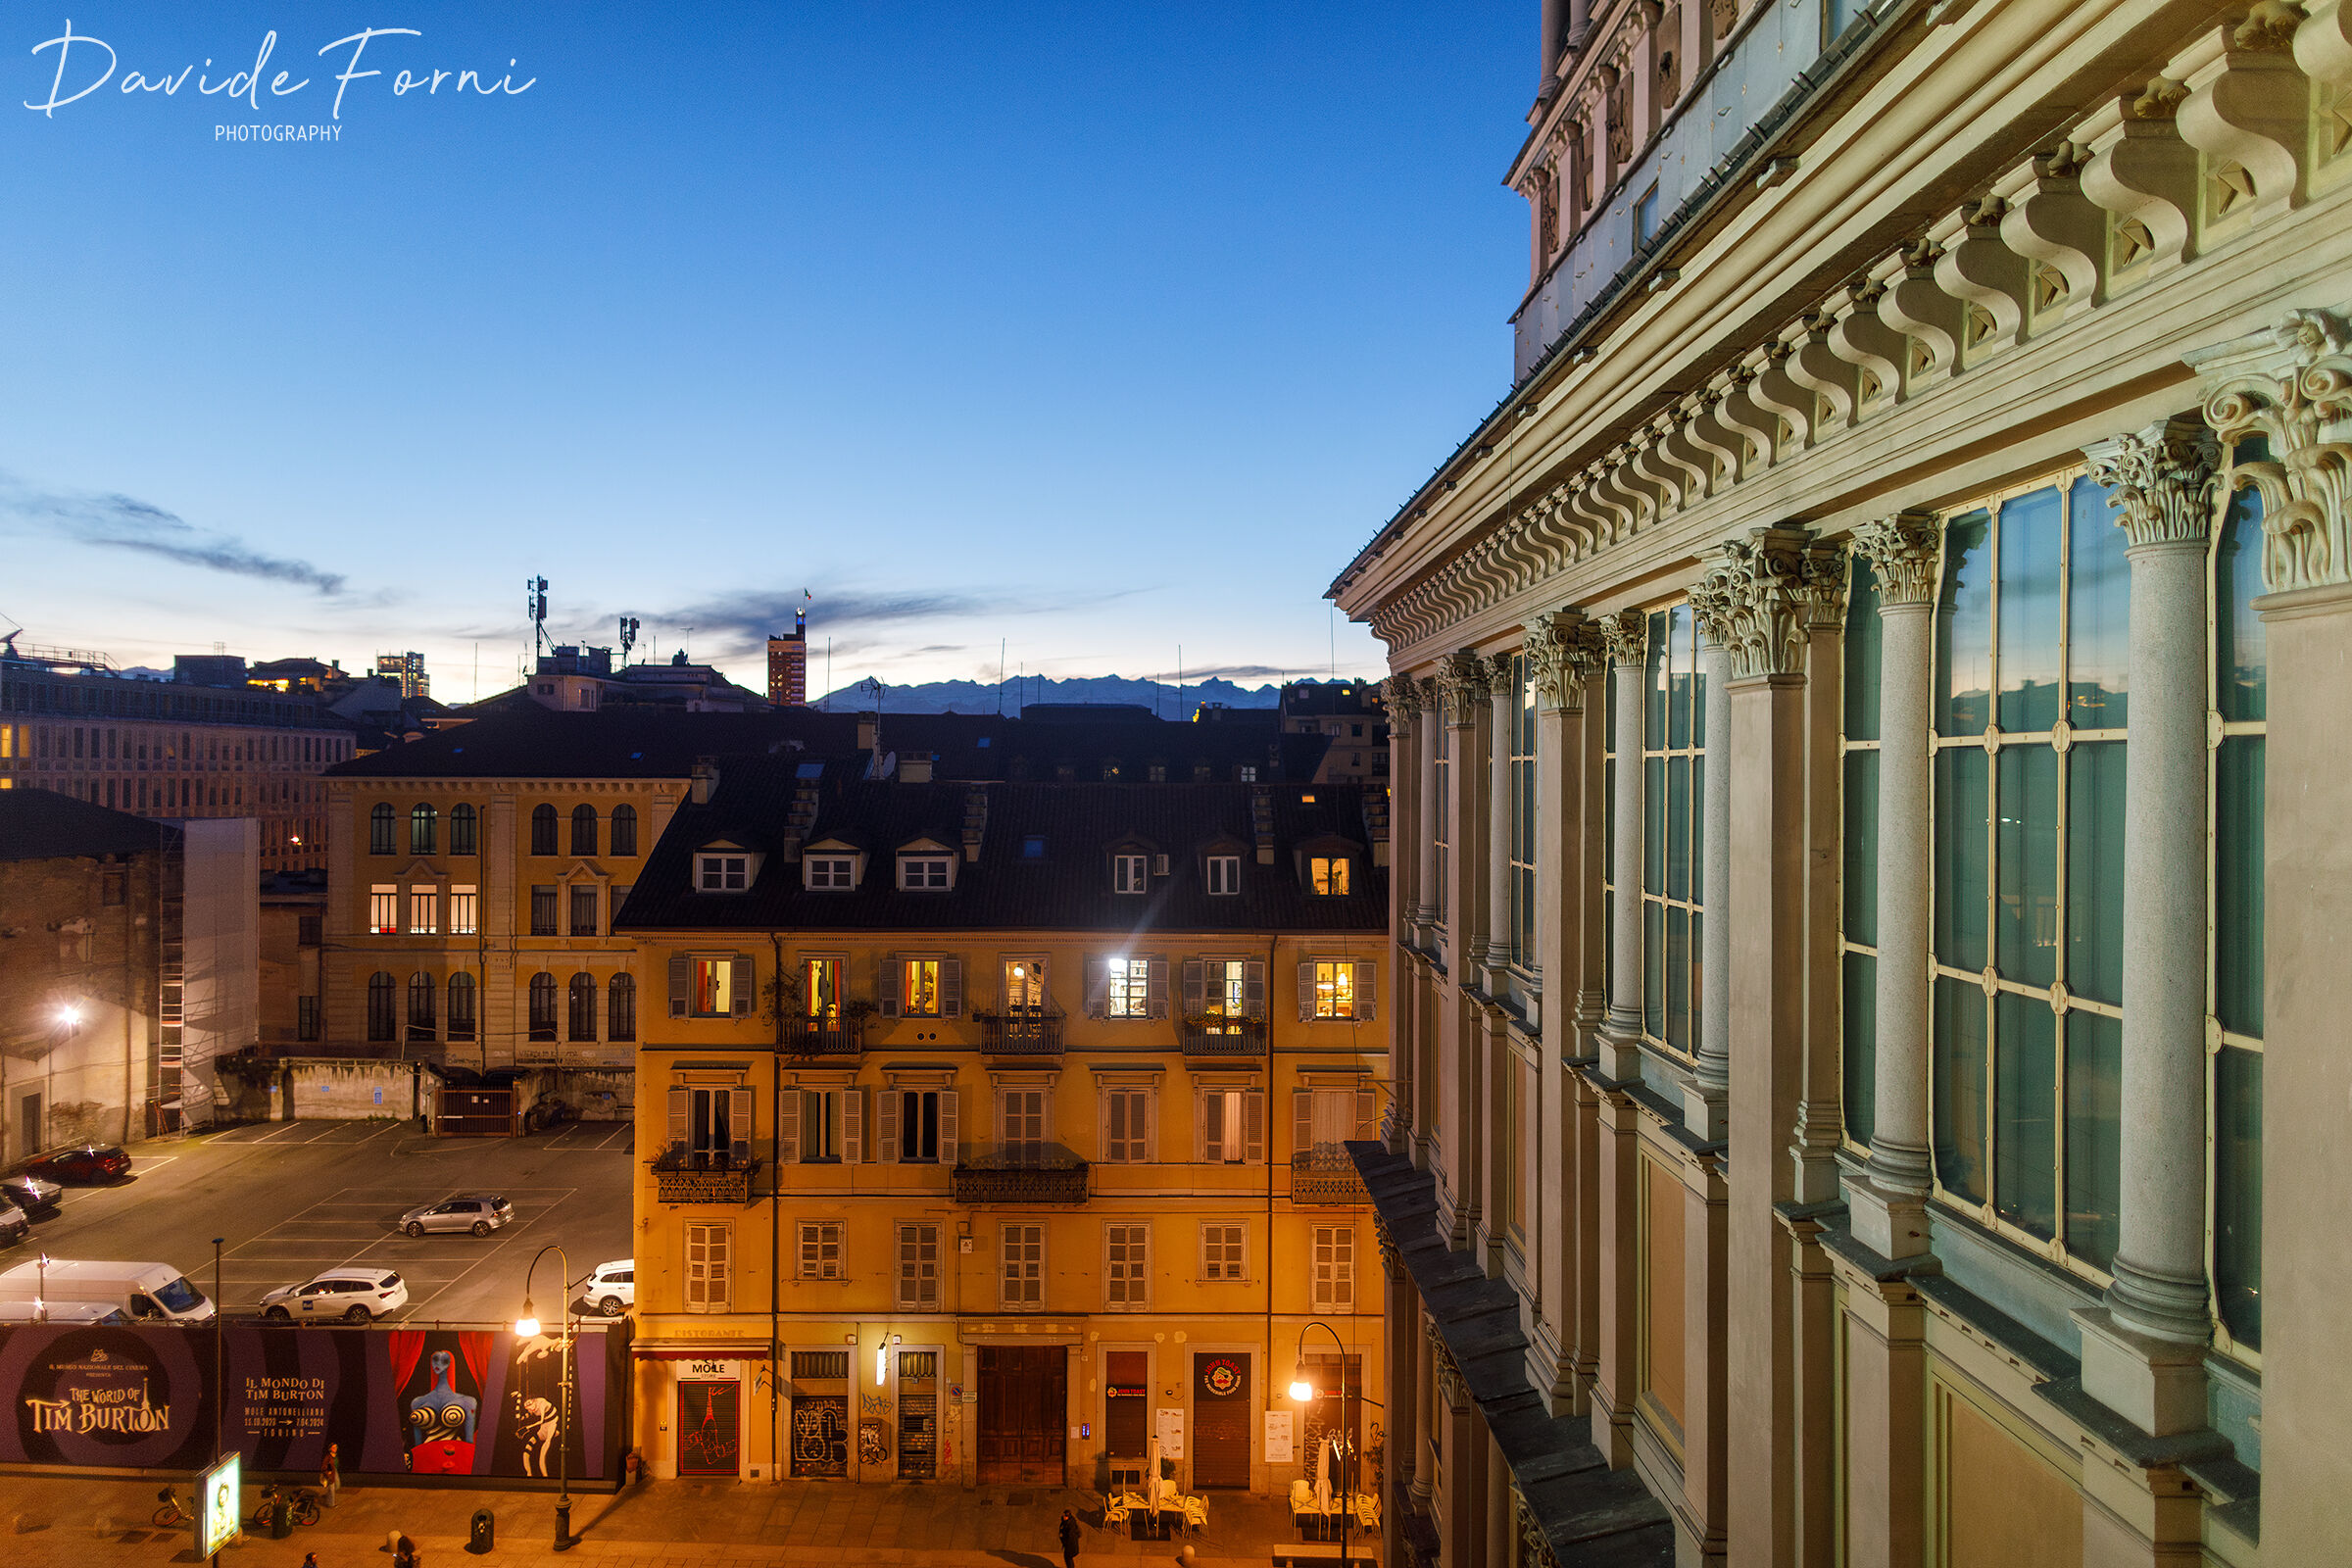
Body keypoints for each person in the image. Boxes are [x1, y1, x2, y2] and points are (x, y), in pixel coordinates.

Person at [319, 1441, 340, 1505]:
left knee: (337, 1486)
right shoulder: (328, 1457)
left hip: (335, 1471)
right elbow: (324, 1467)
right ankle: (331, 1504)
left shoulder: (335, 1456)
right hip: (330, 1474)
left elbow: (335, 1464)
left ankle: (327, 1496)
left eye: (336, 1447)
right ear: (330, 1449)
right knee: (332, 1489)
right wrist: (329, 1475)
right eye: (333, 1448)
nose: (335, 1449)